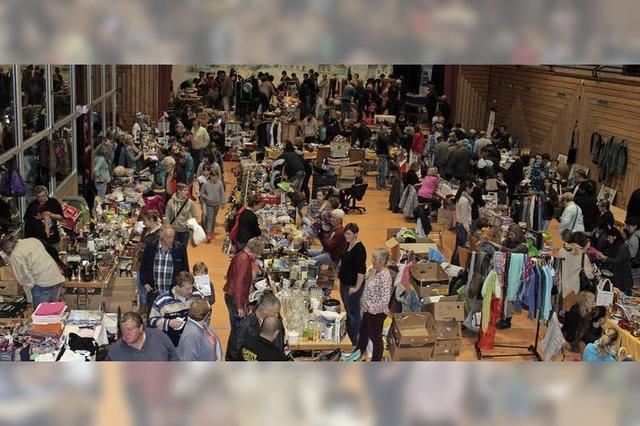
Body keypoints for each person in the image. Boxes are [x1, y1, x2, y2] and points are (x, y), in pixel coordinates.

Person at [342, 249, 393, 362]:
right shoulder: (375, 270)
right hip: (367, 310)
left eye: (375, 258)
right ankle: (356, 355)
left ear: (383, 261)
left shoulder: (385, 277)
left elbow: (385, 300)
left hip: (376, 313)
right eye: (373, 257)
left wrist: (370, 308)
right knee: (363, 333)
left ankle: (376, 361)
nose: (372, 260)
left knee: (376, 338)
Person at [0, 237, 64, 308]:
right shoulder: (32, 240)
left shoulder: (15, 254)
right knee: (52, 312)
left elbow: (24, 277)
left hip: (42, 285)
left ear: (7, 250)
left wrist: (30, 294)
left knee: (40, 315)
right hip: (56, 277)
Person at [149, 271, 204, 347]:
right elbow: (152, 320)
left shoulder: (197, 296)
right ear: (177, 287)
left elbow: (206, 313)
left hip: (192, 344)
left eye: (192, 287)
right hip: (170, 345)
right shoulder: (162, 300)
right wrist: (168, 323)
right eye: (187, 289)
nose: (191, 291)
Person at [140, 224, 190, 305]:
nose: (171, 240)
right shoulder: (151, 247)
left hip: (173, 295)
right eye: (168, 237)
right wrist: (145, 283)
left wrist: (181, 288)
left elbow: (185, 270)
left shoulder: (179, 248)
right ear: (161, 236)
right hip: (154, 293)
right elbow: (143, 266)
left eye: (173, 237)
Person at [226, 293, 284, 361]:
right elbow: (234, 354)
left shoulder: (273, 322)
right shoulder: (243, 327)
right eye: (274, 312)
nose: (277, 315)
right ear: (264, 311)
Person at [223, 237, 264, 328]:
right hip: (235, 298)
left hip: (231, 295)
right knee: (238, 329)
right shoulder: (245, 260)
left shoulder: (240, 255)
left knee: (235, 327)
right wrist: (239, 306)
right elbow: (239, 284)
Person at [105, 311, 180, 361]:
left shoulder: (159, 337)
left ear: (141, 328)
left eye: (130, 329)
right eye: (123, 330)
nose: (125, 334)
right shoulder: (115, 352)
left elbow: (175, 360)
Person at [338, 223, 367, 345]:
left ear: (356, 234)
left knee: (354, 313)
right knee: (348, 310)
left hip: (352, 287)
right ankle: (350, 335)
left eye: (349, 233)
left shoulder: (359, 249)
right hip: (344, 284)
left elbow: (361, 271)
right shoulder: (348, 244)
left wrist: (356, 288)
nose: (346, 235)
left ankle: (354, 341)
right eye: (345, 233)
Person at [133, 210, 163, 309]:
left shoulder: (159, 234)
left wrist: (141, 247)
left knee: (145, 285)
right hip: (140, 261)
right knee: (139, 284)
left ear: (151, 220)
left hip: (149, 264)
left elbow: (154, 249)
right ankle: (143, 305)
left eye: (145, 220)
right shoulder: (146, 230)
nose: (144, 223)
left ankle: (146, 307)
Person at [23, 185, 64, 250]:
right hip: (38, 241)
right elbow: (27, 220)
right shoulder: (32, 205)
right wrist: (39, 218)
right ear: (36, 197)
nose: (42, 199)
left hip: (53, 239)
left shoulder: (54, 202)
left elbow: (61, 218)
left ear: (47, 194)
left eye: (43, 196)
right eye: (39, 197)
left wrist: (50, 214)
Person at [597, 228, 633, 295]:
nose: (608, 239)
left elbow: (618, 261)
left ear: (615, 237)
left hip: (622, 279)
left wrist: (605, 258)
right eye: (607, 237)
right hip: (614, 277)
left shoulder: (623, 247)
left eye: (609, 237)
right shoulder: (612, 245)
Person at [165, 183, 197, 249]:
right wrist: (168, 228)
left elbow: (195, 216)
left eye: (187, 190)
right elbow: (167, 216)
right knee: (172, 249)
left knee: (183, 250)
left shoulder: (190, 203)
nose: (187, 192)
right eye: (184, 190)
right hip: (173, 230)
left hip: (185, 231)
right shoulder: (170, 202)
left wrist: (191, 224)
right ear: (179, 191)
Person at [200, 170, 226, 241]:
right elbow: (201, 193)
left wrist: (223, 202)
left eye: (216, 176)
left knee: (214, 217)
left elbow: (222, 193)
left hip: (217, 204)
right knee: (210, 218)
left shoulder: (220, 183)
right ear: (210, 176)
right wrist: (207, 197)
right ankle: (208, 234)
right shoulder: (205, 184)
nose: (215, 178)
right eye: (213, 176)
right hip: (209, 204)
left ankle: (212, 230)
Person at [452, 181, 474, 264]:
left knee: (457, 247)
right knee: (460, 248)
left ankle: (454, 263)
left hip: (459, 224)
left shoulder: (459, 198)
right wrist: (468, 230)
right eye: (471, 189)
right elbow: (464, 218)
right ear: (467, 188)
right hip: (462, 226)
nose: (472, 191)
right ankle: (456, 264)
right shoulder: (464, 201)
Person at [624, 216, 640, 287]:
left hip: (633, 268)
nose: (627, 228)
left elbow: (632, 254)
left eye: (629, 226)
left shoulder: (634, 238)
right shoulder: (635, 235)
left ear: (635, 226)